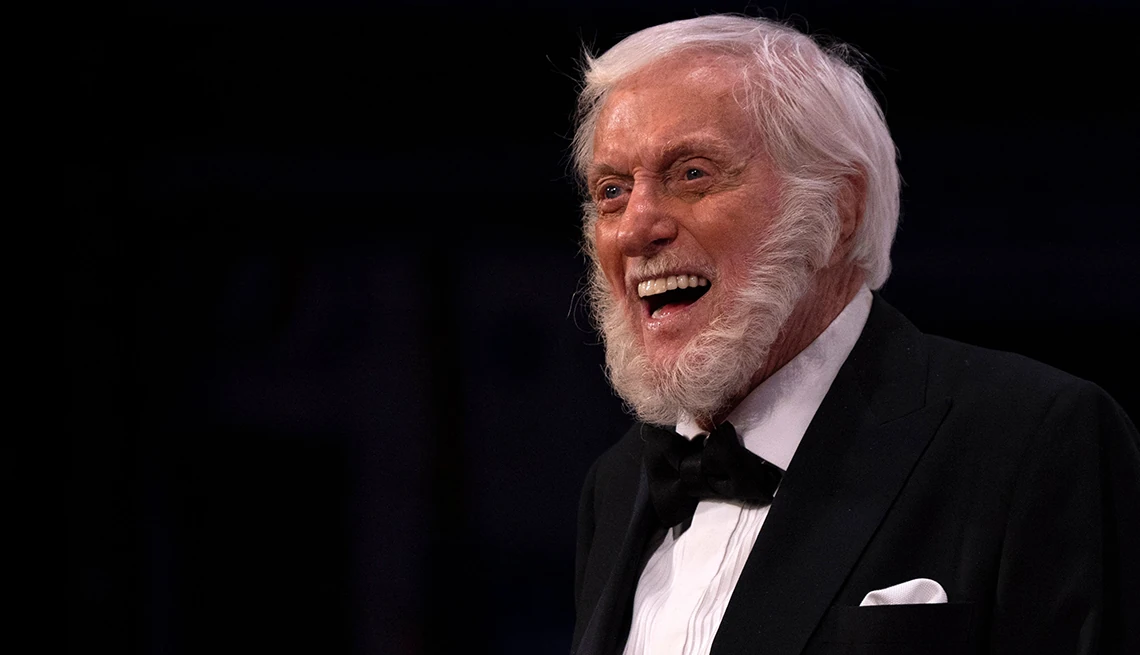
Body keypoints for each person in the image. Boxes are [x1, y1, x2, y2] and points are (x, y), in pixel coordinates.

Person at [569, 14, 1139, 655]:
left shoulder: (1032, 441)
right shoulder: (617, 487)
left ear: (838, 212)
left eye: (691, 173)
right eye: (611, 191)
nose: (636, 227)